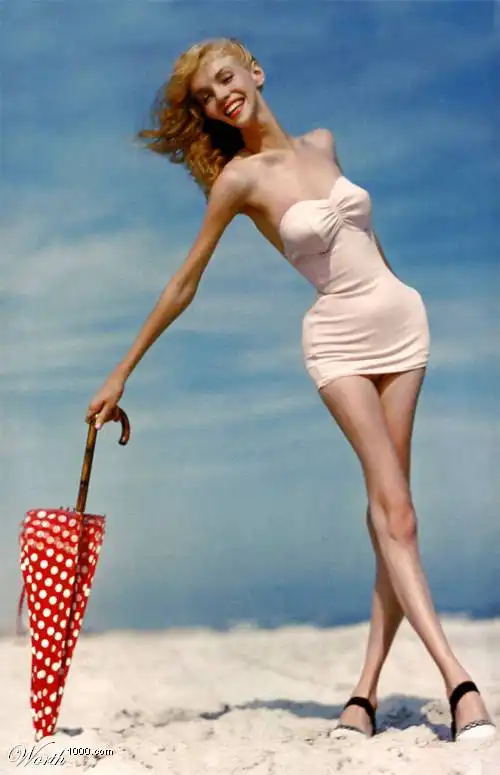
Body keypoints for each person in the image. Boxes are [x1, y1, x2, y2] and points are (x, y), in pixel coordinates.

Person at [86, 38, 496, 743]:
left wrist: (400, 295)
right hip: (336, 340)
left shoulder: (324, 143)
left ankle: (363, 694)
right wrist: (122, 369)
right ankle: (461, 683)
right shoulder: (239, 181)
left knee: (393, 518)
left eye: (225, 79)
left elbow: (366, 241)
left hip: (402, 325)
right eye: (206, 97)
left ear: (255, 71)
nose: (221, 97)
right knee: (396, 513)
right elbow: (185, 283)